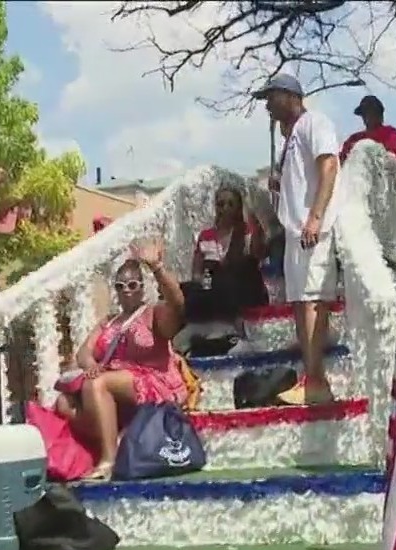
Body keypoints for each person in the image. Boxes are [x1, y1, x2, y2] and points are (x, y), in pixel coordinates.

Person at [56, 244, 190, 481]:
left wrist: (156, 268)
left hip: (153, 382)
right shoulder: (109, 321)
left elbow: (178, 303)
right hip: (115, 383)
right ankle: (118, 436)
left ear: (142, 287)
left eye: (133, 285)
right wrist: (91, 365)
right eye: (120, 286)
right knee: (64, 403)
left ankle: (109, 461)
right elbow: (83, 353)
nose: (126, 290)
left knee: (97, 385)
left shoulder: (153, 314)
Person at [255, 74, 342, 405]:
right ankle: (311, 378)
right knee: (300, 302)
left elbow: (330, 166)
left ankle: (317, 380)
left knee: (313, 300)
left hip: (312, 229)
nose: (266, 105)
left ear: (289, 96)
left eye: (270, 98)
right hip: (295, 234)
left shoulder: (314, 123)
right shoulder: (290, 138)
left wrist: (316, 217)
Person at [182, 185, 269, 327]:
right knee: (189, 288)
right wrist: (203, 285)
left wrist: (255, 226)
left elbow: (257, 255)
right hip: (214, 288)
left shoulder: (247, 231)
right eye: (220, 204)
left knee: (240, 267)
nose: (225, 208)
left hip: (243, 288)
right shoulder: (206, 236)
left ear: (238, 207)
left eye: (230, 204)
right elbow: (197, 273)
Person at [339, 95, 396, 164]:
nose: (366, 116)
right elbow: (341, 161)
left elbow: (394, 159)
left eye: (371, 112)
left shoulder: (390, 132)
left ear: (379, 113)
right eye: (364, 113)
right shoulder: (354, 138)